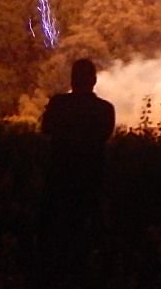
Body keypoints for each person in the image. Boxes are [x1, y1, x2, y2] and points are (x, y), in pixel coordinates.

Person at [40, 57, 117, 235]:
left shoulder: (58, 104)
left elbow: (46, 129)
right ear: (94, 80)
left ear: (72, 79)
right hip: (92, 176)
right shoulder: (104, 108)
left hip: (60, 176)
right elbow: (105, 136)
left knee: (57, 229)